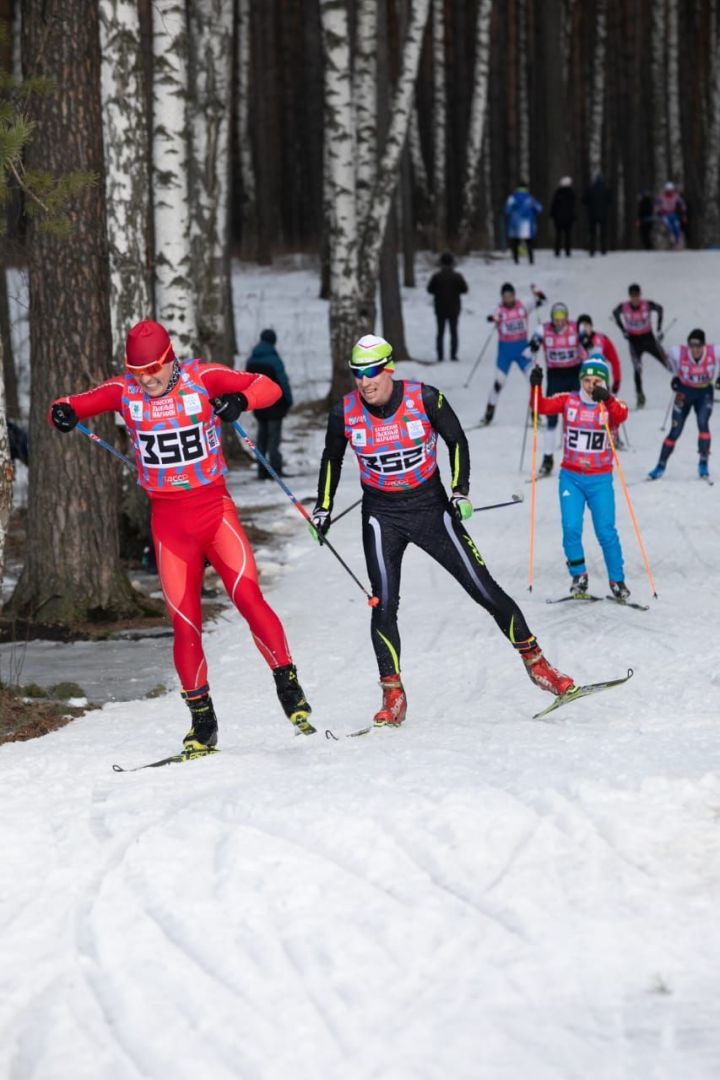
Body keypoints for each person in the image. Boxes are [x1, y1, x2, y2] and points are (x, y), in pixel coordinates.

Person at [49, 319, 315, 752]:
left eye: (154, 368)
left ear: (169, 358)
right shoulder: (124, 392)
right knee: (185, 623)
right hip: (170, 525)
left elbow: (270, 388)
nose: (148, 378)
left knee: (249, 599)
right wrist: (62, 413)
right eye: (138, 371)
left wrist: (239, 400)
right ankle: (202, 723)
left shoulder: (202, 378)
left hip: (215, 512)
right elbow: (70, 404)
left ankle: (289, 688)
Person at [310, 333, 576, 726]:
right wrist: (323, 508)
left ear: (389, 369)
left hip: (431, 508)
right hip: (381, 514)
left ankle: (538, 665)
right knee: (382, 604)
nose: (364, 382)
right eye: (357, 374)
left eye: (371, 373)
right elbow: (332, 459)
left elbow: (456, 441)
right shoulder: (344, 412)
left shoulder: (425, 399)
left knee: (483, 587)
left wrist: (460, 491)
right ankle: (393, 695)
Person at [529, 355, 631, 599]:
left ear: (604, 382)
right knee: (571, 527)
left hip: (600, 479)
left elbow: (622, 414)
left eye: (597, 381)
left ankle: (617, 580)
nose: (591, 385)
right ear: (580, 380)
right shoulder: (568, 400)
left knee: (606, 531)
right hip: (572, 477)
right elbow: (540, 406)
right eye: (587, 380)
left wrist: (606, 397)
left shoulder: (611, 404)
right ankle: (579, 575)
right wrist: (535, 385)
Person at [647, 329, 720, 482]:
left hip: (704, 393)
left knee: (703, 423)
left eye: (698, 346)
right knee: (675, 430)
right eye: (691, 346)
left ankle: (703, 462)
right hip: (684, 392)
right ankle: (660, 466)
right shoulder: (678, 352)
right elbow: (668, 360)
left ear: (704, 345)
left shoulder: (714, 351)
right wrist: (675, 376)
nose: (695, 350)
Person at [529, 302, 587, 477]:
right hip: (555, 376)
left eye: (562, 319)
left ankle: (580, 457)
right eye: (556, 319)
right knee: (551, 419)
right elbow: (534, 340)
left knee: (578, 417)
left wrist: (586, 341)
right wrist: (534, 345)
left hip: (574, 374)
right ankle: (548, 458)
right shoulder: (543, 329)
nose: (559, 323)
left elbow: (586, 338)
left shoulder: (576, 327)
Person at [480, 282, 545, 426]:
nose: (508, 299)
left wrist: (537, 292)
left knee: (534, 382)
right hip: (505, 352)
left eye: (510, 295)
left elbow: (542, 300)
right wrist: (494, 318)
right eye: (505, 296)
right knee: (499, 383)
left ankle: (535, 414)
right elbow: (489, 316)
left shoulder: (523, 305)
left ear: (514, 295)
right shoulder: (499, 309)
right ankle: (488, 414)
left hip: (523, 350)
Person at [245, 329, 293, 479]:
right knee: (274, 440)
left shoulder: (251, 360)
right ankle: (276, 470)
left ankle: (261, 470)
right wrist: (288, 400)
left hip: (259, 405)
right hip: (275, 406)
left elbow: (247, 382)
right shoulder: (274, 360)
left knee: (261, 439)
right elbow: (283, 383)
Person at [612, 283, 667, 408]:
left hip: (648, 338)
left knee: (666, 361)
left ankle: (687, 385)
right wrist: (623, 330)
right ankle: (640, 396)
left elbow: (660, 309)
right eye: (632, 295)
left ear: (640, 295)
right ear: (629, 296)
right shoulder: (624, 307)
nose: (635, 298)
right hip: (634, 341)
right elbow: (615, 313)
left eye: (637, 295)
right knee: (637, 369)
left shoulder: (646, 305)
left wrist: (659, 329)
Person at [426, 252, 468, 362]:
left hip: (440, 308)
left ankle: (440, 356)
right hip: (454, 308)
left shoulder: (436, 276)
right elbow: (465, 289)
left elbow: (429, 289)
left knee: (440, 333)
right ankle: (453, 355)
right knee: (454, 332)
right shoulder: (457, 276)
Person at [576, 315, 621, 394]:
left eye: (586, 325)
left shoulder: (601, 339)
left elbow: (614, 360)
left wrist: (617, 380)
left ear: (591, 325)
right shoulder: (574, 341)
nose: (584, 328)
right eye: (581, 326)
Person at [504, 182, 542, 265]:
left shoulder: (513, 198)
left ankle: (516, 260)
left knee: (515, 242)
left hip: (515, 223)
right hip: (527, 224)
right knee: (529, 242)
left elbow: (507, 210)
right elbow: (538, 209)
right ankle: (531, 260)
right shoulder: (530, 198)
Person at [583, 174, 612, 256]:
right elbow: (610, 200)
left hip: (592, 214)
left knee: (592, 233)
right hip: (603, 214)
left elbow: (584, 200)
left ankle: (592, 251)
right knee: (603, 233)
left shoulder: (590, 188)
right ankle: (603, 250)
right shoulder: (606, 189)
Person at [655, 182, 687, 249]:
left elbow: (682, 203)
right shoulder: (661, 196)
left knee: (676, 228)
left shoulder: (676, 196)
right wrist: (658, 211)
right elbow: (657, 205)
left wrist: (683, 211)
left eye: (670, 191)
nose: (669, 193)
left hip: (673, 214)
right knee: (669, 227)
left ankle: (677, 242)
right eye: (668, 191)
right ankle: (671, 241)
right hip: (665, 215)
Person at [550, 176, 576, 257]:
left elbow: (554, 205)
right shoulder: (571, 193)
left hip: (558, 218)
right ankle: (567, 251)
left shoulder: (558, 192)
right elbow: (573, 206)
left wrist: (552, 214)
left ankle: (557, 251)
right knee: (567, 235)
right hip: (568, 218)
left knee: (559, 235)